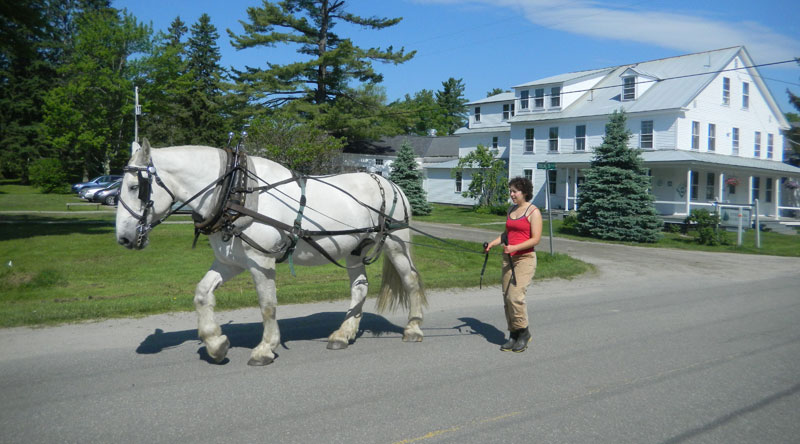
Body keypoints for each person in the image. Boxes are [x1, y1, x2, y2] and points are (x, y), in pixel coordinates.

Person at [484, 177, 542, 352]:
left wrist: (515, 247)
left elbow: (536, 239)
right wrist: (492, 244)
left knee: (515, 297)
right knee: (506, 298)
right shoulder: (511, 210)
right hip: (508, 259)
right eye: (510, 191)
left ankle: (524, 332)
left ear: (524, 192)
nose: (512, 194)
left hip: (525, 259)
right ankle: (513, 334)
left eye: (515, 191)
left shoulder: (533, 212)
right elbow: (506, 234)